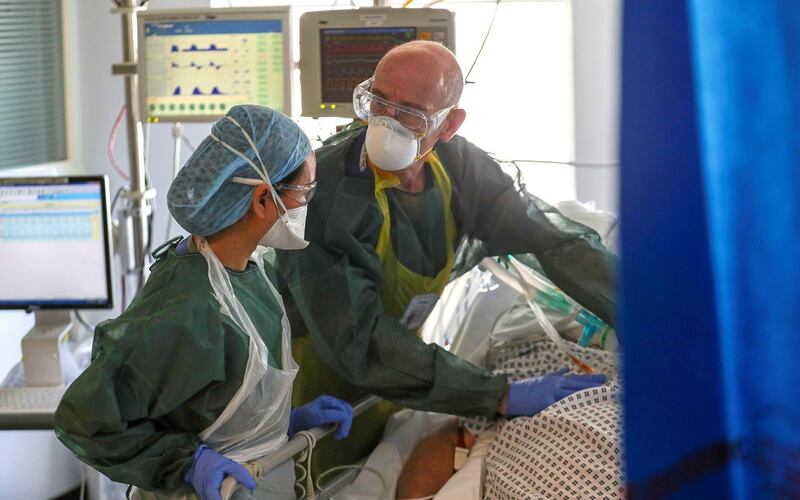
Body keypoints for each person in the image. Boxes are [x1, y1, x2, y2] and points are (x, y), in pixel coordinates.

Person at [276, 40, 613, 422]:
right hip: (319, 382)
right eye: (379, 102)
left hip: (408, 368)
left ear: (449, 124)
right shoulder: (324, 195)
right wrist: (499, 395)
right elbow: (358, 341)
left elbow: (556, 243)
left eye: (411, 115)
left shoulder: (462, 169)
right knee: (324, 474)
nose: (386, 123)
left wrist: (644, 317)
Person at [54, 105, 353, 500]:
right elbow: (85, 421)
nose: (306, 204)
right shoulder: (187, 306)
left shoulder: (247, 269)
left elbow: (210, 399)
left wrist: (278, 424)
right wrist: (187, 463)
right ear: (263, 200)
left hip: (260, 474)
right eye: (303, 192)